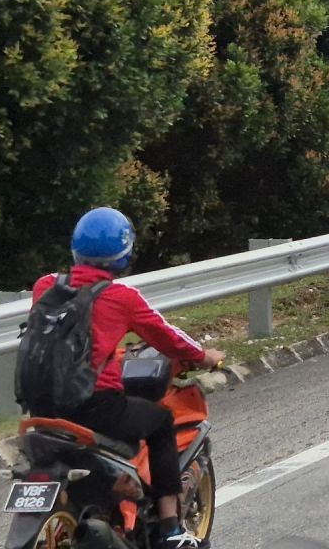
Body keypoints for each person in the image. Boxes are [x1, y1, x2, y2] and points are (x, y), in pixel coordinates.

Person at [32, 209, 225, 549]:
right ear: (124, 253)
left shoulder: (45, 286)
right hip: (93, 408)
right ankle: (169, 529)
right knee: (161, 421)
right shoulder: (122, 298)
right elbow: (167, 337)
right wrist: (204, 356)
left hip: (40, 406)